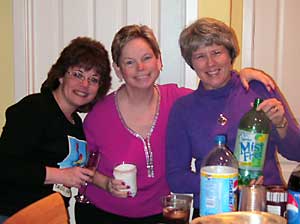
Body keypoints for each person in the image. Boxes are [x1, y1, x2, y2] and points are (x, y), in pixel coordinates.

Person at [74, 24, 275, 224]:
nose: (141, 68)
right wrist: (107, 184)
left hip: (161, 214)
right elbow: (83, 166)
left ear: (159, 61)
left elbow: (215, 92)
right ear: (118, 70)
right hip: (103, 214)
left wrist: (241, 77)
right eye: (129, 62)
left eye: (146, 58)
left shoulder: (180, 102)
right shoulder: (99, 115)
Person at [166, 17, 300, 217]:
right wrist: (229, 181)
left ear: (230, 54)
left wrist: (281, 124)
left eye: (217, 52)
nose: (210, 63)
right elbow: (176, 176)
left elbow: (297, 152)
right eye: (200, 56)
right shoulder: (184, 108)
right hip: (214, 212)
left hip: (267, 208)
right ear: (191, 63)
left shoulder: (259, 90)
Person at [0, 37, 112, 223]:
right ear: (61, 75)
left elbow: (78, 171)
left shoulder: (76, 123)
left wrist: (108, 184)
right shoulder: (34, 108)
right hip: (14, 215)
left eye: (93, 79)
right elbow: (5, 166)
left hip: (51, 216)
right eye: (78, 74)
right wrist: (61, 175)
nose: (85, 84)